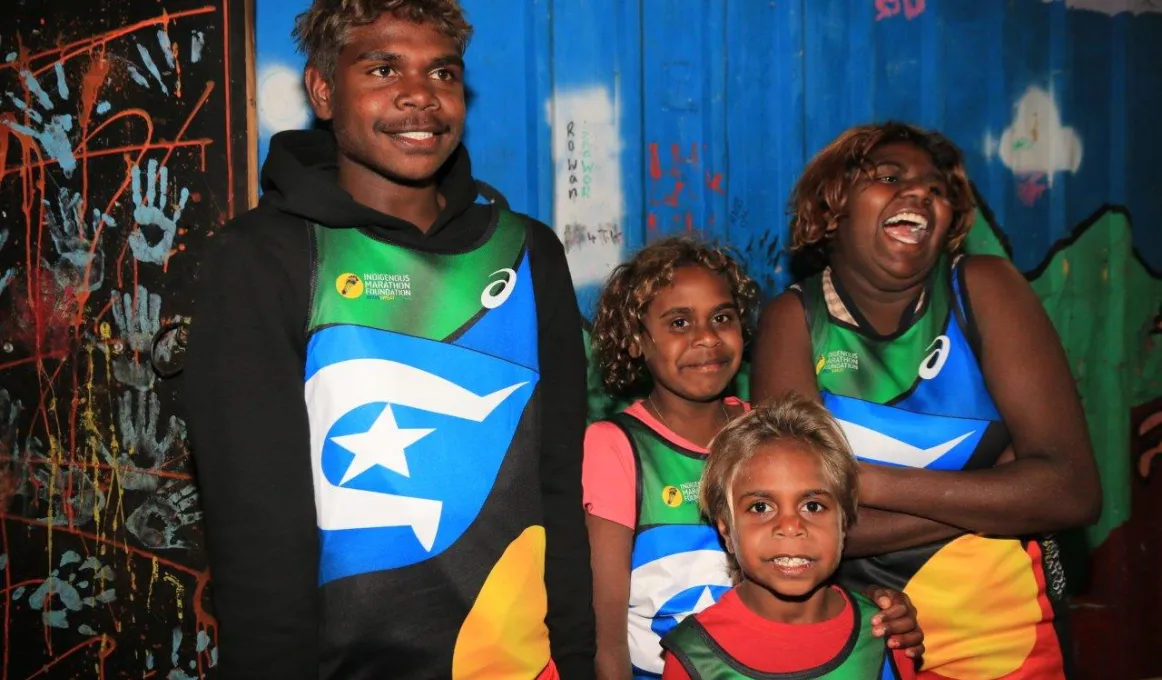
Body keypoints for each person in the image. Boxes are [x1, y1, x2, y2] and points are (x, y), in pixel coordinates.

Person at [184, 1, 594, 678]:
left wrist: (576, 662)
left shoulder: (528, 255)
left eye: (443, 72)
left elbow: (558, 493)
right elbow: (257, 539)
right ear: (323, 89)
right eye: (382, 68)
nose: (420, 97)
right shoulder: (265, 258)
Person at [751, 121, 1101, 678]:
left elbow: (1074, 492)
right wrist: (1001, 495)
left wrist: (868, 483)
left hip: (1008, 636)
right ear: (832, 209)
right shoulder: (792, 321)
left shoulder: (984, 287)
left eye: (937, 189)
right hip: (866, 639)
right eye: (889, 177)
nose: (919, 193)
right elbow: (799, 526)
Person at [583, 238, 922, 680]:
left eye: (722, 317)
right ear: (635, 341)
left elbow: (817, 551)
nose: (706, 336)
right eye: (679, 322)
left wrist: (877, 606)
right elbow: (605, 637)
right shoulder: (617, 447)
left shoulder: (773, 435)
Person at [660, 394, 916, 680]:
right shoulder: (696, 654)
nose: (791, 526)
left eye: (813, 506)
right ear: (726, 530)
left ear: (844, 521)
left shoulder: (885, 634)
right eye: (761, 507)